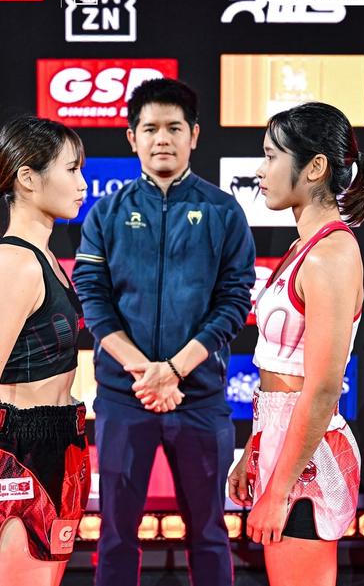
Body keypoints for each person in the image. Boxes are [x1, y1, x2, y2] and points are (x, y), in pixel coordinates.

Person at [71, 78, 256, 586]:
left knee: (210, 534)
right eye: (150, 128)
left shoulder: (224, 211)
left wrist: (174, 370)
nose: (162, 139)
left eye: (174, 127)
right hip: (124, 398)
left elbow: (234, 302)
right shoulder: (106, 213)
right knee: (115, 535)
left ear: (194, 135)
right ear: (132, 138)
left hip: (199, 399)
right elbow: (93, 300)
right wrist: (146, 374)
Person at [227, 102, 364, 586]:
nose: (260, 170)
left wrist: (278, 491)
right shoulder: (304, 246)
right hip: (283, 444)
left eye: (271, 156)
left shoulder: (330, 254)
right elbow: (281, 370)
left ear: (314, 167)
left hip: (309, 458)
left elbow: (321, 389)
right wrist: (254, 448)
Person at [0, 116, 90, 586]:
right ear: (28, 178)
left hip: (62, 442)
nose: (82, 184)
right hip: (20, 451)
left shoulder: (45, 257)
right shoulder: (13, 261)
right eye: (71, 170)